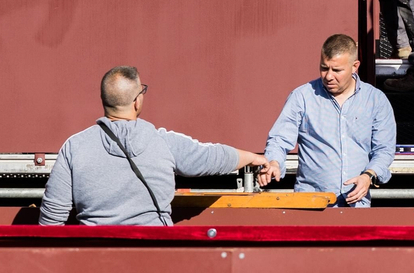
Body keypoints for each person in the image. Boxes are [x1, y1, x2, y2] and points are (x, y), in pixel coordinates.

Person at [39, 66, 273, 226]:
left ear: (104, 100)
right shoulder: (162, 141)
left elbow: (51, 218)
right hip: (156, 254)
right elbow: (210, 158)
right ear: (137, 100)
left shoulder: (75, 147)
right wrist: (253, 157)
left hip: (95, 258)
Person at [261, 34, 395, 206]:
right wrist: (274, 161)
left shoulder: (375, 100)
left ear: (355, 66)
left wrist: (368, 175)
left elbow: (384, 150)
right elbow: (279, 139)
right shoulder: (302, 97)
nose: (329, 76)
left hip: (356, 203)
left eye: (337, 70)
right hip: (311, 204)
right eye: (324, 68)